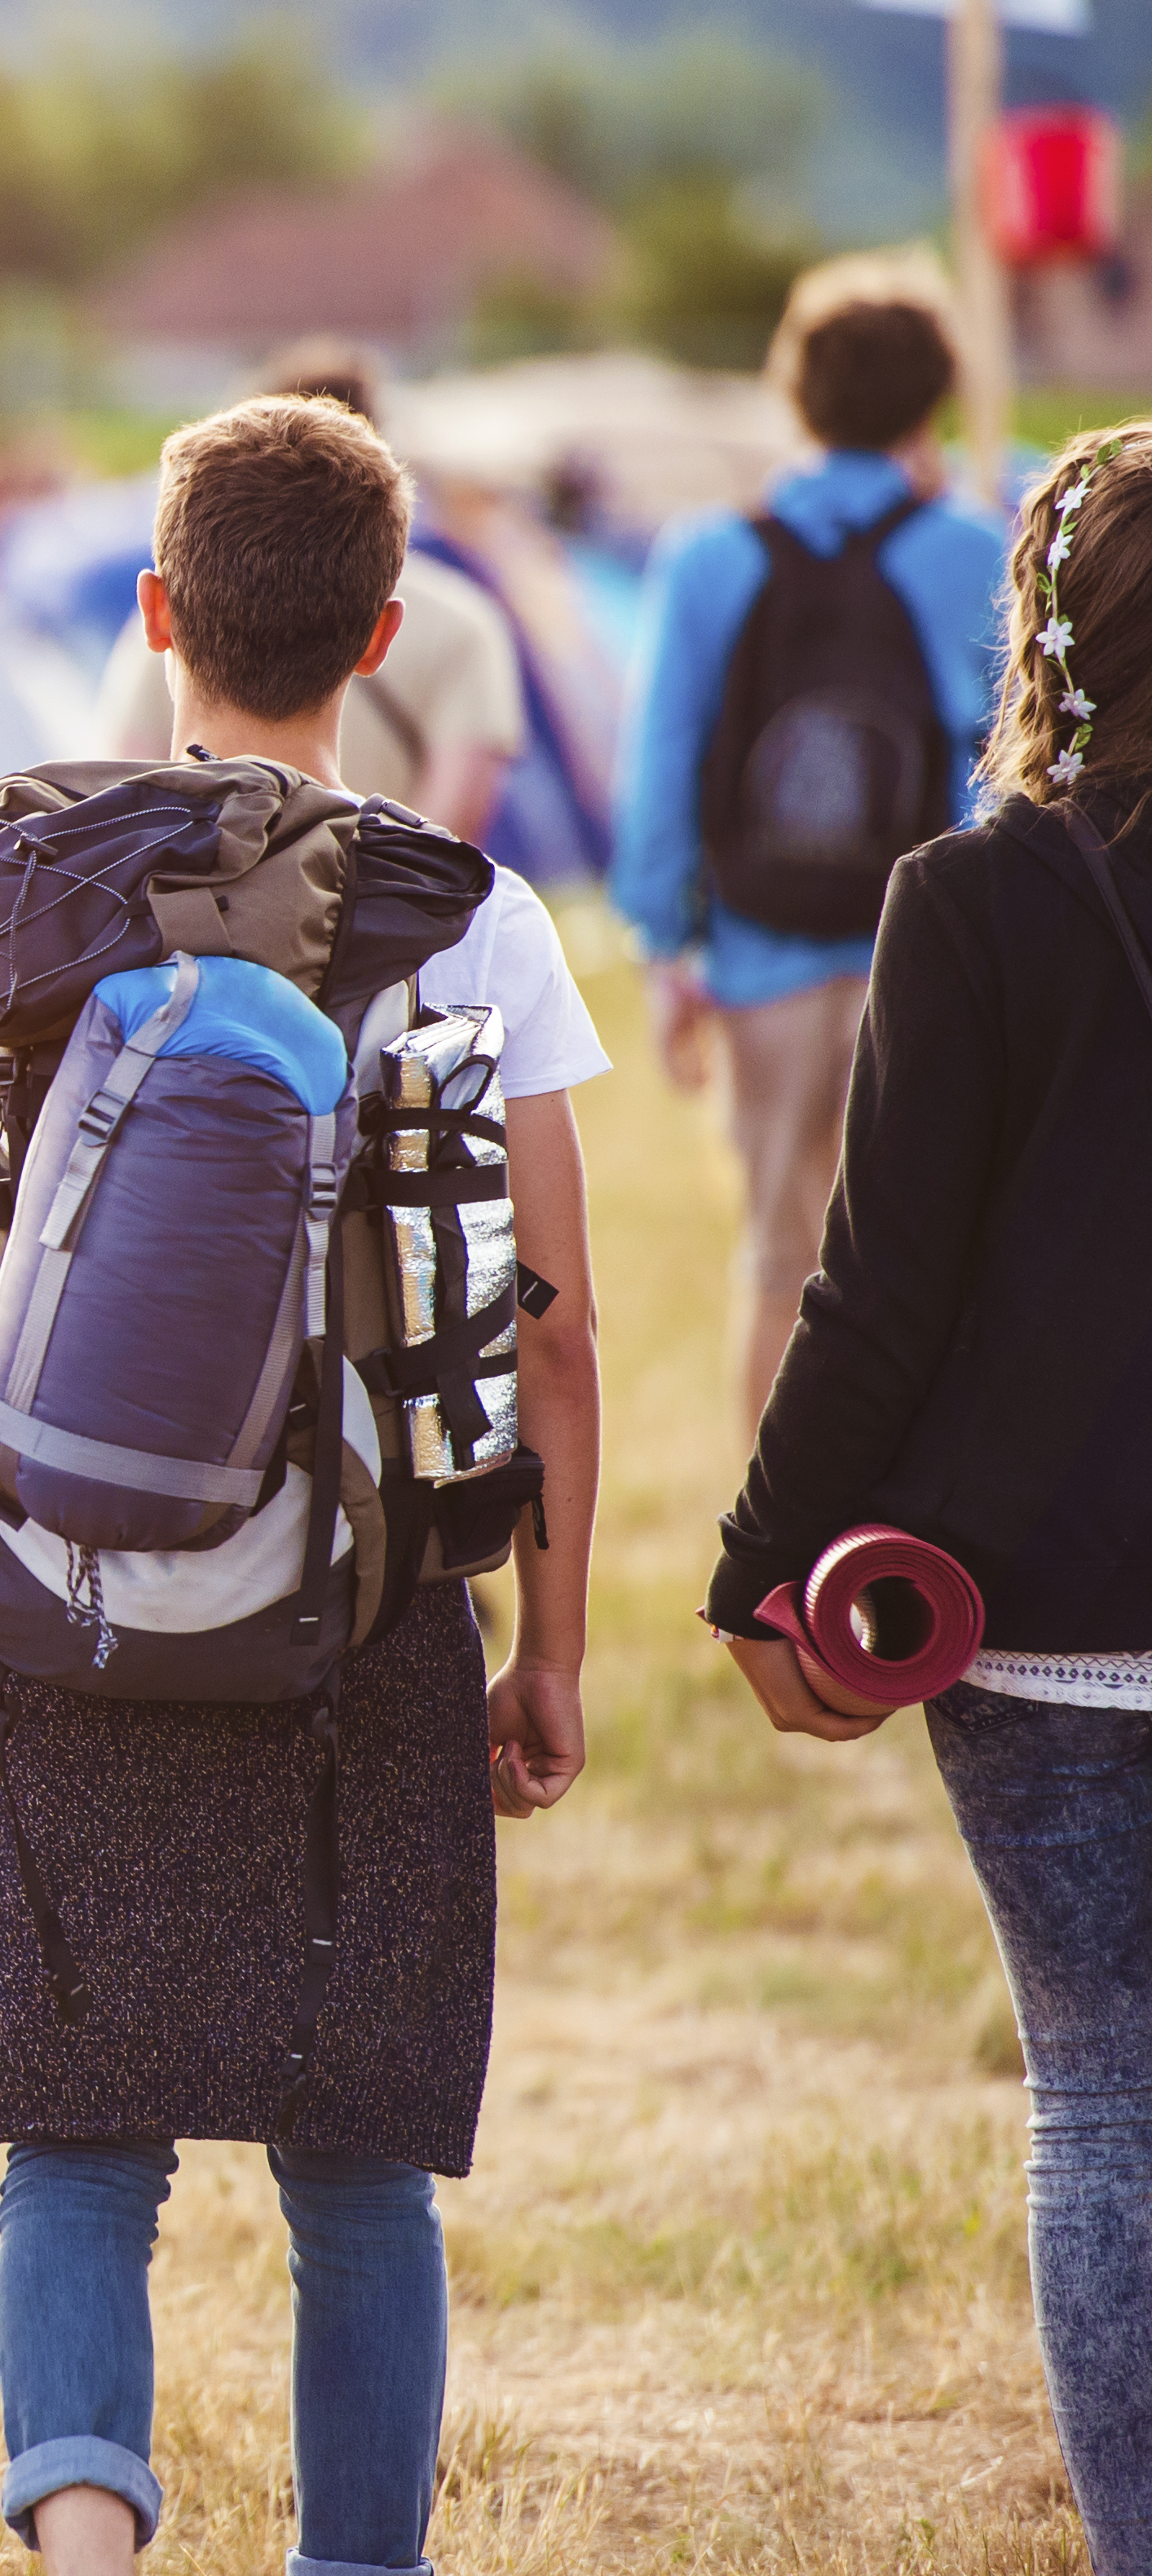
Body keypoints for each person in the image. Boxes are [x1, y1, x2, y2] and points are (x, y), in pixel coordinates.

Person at [0, 395, 611, 2576]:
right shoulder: (473, 918)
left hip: (66, 1586)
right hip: (365, 1613)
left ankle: (88, 2551)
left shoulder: (25, 891)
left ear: (154, 609)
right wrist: (545, 1645)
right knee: (357, 2164)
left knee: (79, 2148)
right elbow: (552, 1327)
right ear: (385, 632)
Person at [715, 422, 1152, 2575]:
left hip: (1047, 1617)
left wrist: (754, 1564)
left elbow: (875, 1296)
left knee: (1102, 2099)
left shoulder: (973, 899)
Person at [609, 256, 1010, 1441]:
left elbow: (664, 758)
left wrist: (666, 943)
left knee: (781, 1265)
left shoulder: (708, 555)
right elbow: (1011, 757)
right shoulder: (972, 547)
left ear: (796, 394)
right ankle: (909, 1556)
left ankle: (777, 1576)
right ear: (933, 400)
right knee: (936, 1264)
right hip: (929, 958)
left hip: (759, 951)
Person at [91, 340, 525, 840]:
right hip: (388, 903)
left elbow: (129, 798)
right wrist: (382, 894)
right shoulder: (463, 622)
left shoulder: (178, 613)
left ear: (154, 609)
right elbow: (455, 818)